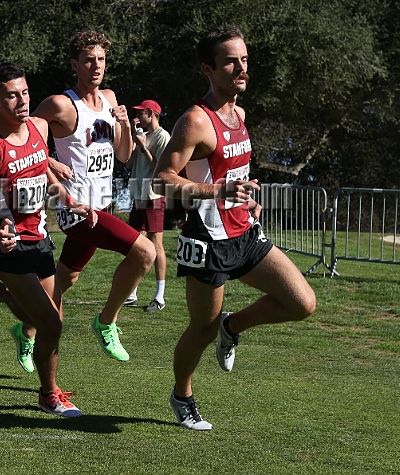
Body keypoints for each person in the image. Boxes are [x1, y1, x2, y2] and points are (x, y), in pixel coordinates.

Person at [153, 25, 316, 430]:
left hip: (245, 231)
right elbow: (160, 180)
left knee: (302, 303)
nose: (241, 67)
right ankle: (182, 396)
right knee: (201, 327)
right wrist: (218, 191)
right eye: (230, 61)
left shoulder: (239, 113)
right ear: (208, 69)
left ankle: (234, 324)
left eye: (244, 59)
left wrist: (245, 196)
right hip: (207, 239)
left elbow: (232, 170)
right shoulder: (194, 120)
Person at [0, 62, 93, 416]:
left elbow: (45, 176)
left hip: (40, 238)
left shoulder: (39, 126)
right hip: (10, 246)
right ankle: (49, 394)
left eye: (24, 92)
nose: (22, 101)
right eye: (11, 95)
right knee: (51, 323)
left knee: (48, 319)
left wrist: (71, 202)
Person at [34, 30, 156, 362]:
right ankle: (106, 322)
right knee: (145, 253)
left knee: (65, 279)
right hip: (75, 209)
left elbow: (124, 155)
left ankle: (27, 330)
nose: (96, 66)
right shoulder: (61, 104)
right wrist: (49, 160)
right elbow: (20, 138)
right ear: (75, 64)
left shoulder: (111, 99)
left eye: (101, 59)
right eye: (88, 60)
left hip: (100, 205)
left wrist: (125, 125)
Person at [123, 99, 171, 312]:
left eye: (140, 113)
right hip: (139, 195)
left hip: (154, 195)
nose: (138, 116)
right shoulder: (141, 136)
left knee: (156, 245)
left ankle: (159, 297)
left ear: (151, 114)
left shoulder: (163, 136)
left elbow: (159, 169)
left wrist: (143, 146)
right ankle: (131, 293)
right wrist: (135, 141)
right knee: (136, 244)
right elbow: (129, 164)